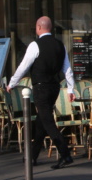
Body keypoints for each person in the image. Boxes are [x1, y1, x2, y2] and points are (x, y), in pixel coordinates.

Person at [7, 16, 75, 170]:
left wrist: (12, 83)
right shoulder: (60, 45)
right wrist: (71, 89)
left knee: (48, 122)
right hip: (54, 87)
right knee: (41, 122)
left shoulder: (34, 45)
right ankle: (32, 156)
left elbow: (24, 66)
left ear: (38, 28)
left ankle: (65, 154)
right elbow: (67, 69)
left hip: (41, 87)